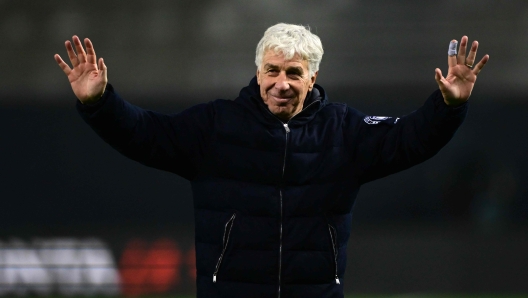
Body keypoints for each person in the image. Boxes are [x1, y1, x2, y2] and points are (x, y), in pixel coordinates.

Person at [54, 23, 488, 298]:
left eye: (294, 73)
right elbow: (145, 134)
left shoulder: (344, 131)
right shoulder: (215, 126)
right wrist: (100, 103)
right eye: (272, 71)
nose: (281, 84)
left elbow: (410, 139)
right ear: (258, 72)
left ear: (313, 78)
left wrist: (448, 106)